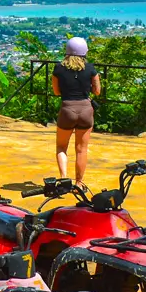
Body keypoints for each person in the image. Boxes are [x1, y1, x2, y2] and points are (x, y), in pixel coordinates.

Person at [50, 36, 100, 182]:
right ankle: (79, 182)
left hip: (67, 109)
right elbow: (97, 91)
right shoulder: (90, 69)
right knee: (81, 150)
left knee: (61, 147)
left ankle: (64, 179)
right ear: (84, 51)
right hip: (86, 110)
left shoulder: (58, 69)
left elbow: (56, 91)